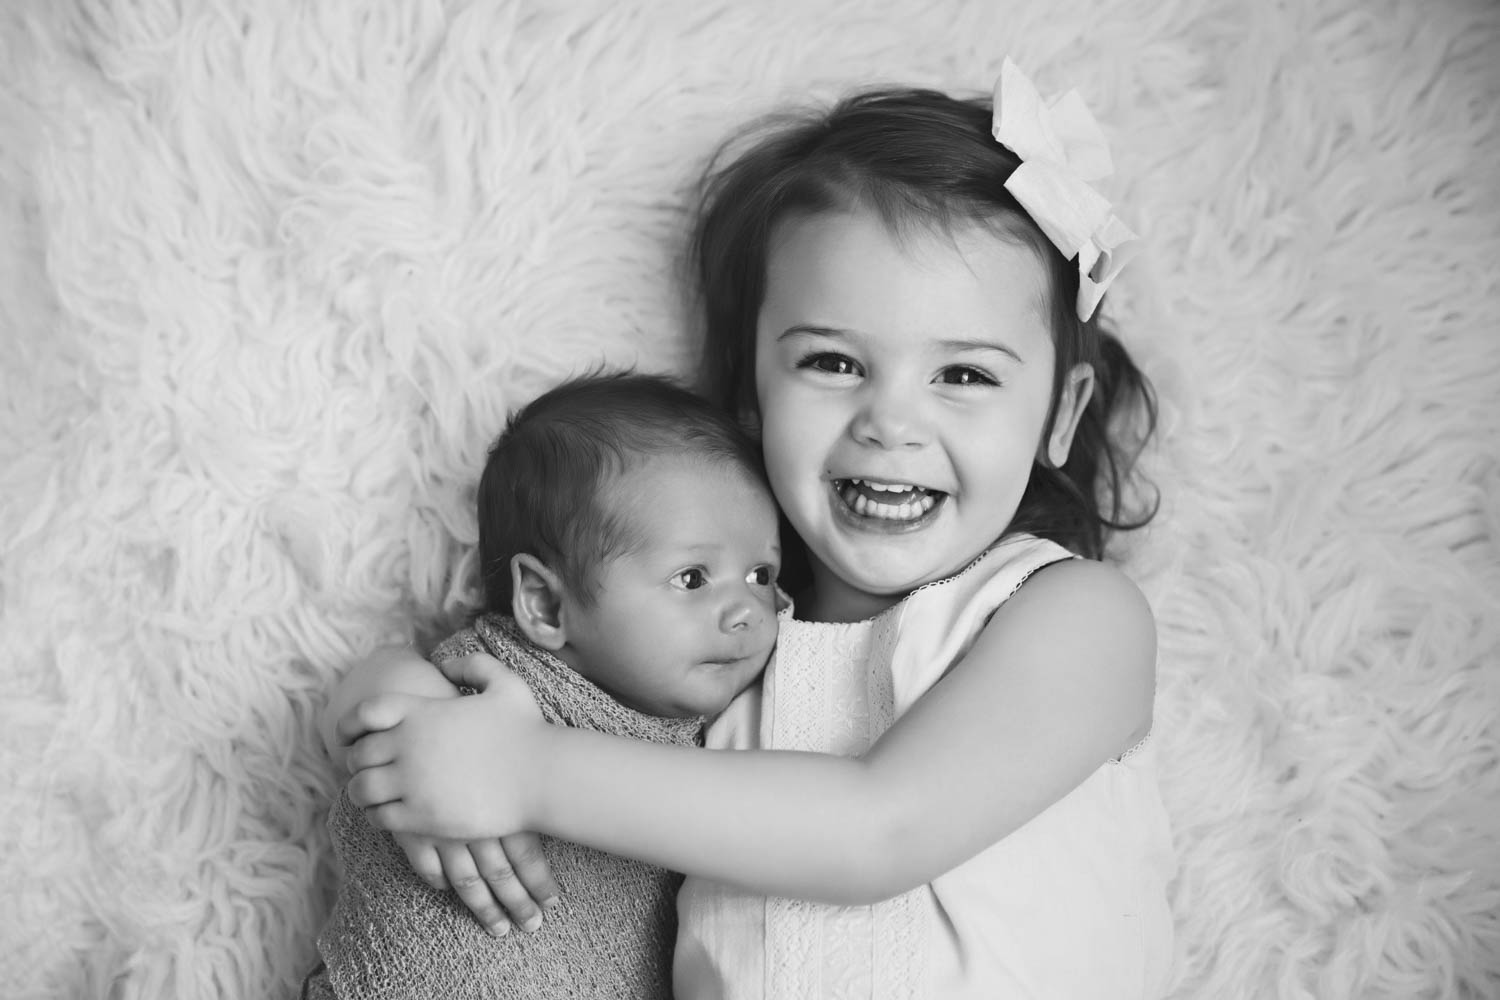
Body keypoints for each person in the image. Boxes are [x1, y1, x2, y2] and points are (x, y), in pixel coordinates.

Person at [335, 58, 1176, 998]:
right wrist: (409, 710)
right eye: (831, 361)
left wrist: (521, 772)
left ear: (1061, 413)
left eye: (965, 375)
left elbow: (878, 830)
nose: (890, 423)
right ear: (750, 393)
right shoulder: (727, 640)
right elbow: (530, 667)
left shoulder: (1070, 615)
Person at [307, 372, 782, 999]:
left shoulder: (743, 732)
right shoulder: (491, 686)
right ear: (545, 605)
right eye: (693, 578)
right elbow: (353, 724)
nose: (747, 609)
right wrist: (396, 687)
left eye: (761, 573)